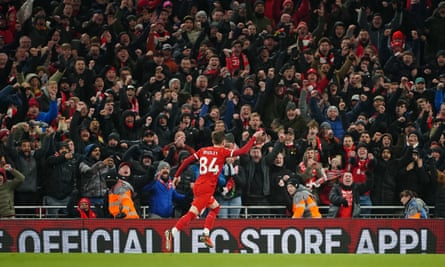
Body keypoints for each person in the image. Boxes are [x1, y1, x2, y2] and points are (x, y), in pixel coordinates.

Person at [164, 129, 264, 251]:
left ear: (212, 140)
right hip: (206, 188)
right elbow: (243, 151)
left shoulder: (203, 150)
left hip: (199, 185)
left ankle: (205, 234)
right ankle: (172, 232)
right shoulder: (222, 151)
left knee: (216, 208)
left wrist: (176, 175)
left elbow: (186, 161)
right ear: (223, 142)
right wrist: (253, 138)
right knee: (192, 214)